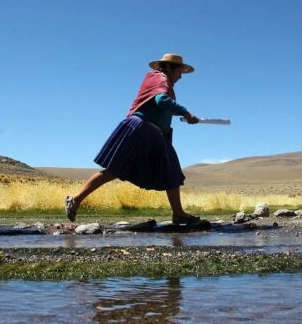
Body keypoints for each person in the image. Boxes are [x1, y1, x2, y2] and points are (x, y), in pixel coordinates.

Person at [65, 53, 201, 225]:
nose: (180, 76)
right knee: (115, 169)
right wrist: (186, 112)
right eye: (179, 71)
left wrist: (181, 117)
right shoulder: (159, 77)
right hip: (141, 129)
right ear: (168, 68)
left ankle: (179, 213)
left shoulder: (162, 81)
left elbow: (162, 108)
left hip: (155, 134)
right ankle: (75, 200)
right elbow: (161, 100)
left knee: (171, 171)